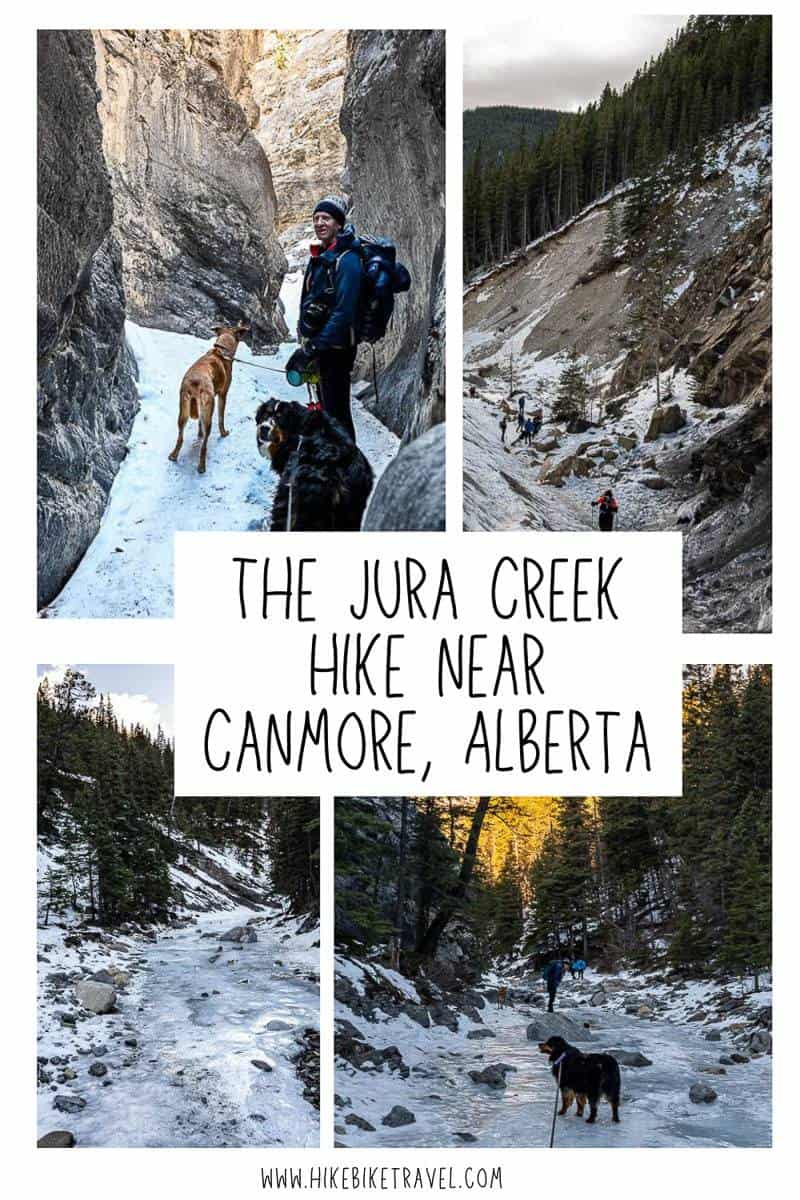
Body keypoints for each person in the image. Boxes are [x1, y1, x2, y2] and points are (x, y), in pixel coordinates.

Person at [286, 195, 362, 442]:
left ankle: (350, 473)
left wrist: (312, 348)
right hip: (322, 348)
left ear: (338, 224)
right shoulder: (320, 257)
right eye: (316, 218)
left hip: (337, 350)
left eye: (326, 218)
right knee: (327, 412)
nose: (320, 223)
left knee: (337, 415)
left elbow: (344, 312)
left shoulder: (348, 260)